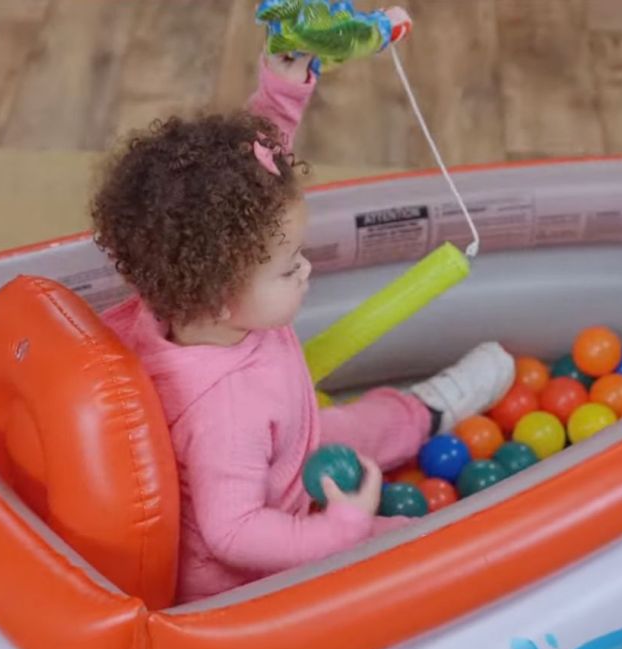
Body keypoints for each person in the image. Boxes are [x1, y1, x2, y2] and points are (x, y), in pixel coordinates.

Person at [92, 48, 514, 603]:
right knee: (413, 547)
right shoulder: (227, 411)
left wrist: (280, 95)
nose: (307, 267)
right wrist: (339, 529)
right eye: (290, 266)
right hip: (249, 567)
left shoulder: (186, 288)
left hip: (290, 451)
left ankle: (427, 410)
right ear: (220, 295)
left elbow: (242, 196)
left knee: (357, 428)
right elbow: (234, 533)